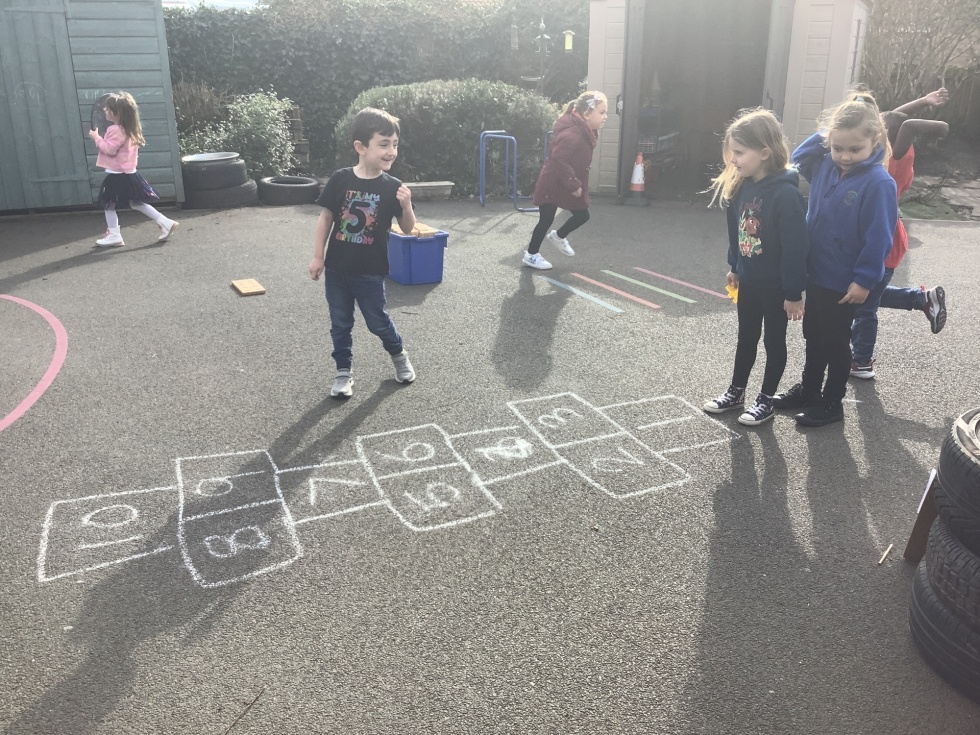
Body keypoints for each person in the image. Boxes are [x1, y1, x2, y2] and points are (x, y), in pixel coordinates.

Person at [774, 92, 898, 427]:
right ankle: (809, 389)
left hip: (844, 281)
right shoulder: (826, 165)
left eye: (855, 149)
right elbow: (799, 157)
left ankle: (832, 402)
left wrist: (864, 279)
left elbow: (879, 236)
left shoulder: (879, 183)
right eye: (837, 147)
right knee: (813, 335)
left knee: (835, 342)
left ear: (875, 141)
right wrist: (827, 134)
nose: (845, 156)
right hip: (816, 271)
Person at [702, 108, 809, 426]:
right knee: (746, 337)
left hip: (776, 286)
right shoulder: (741, 187)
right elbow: (735, 232)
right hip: (748, 280)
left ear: (764, 152)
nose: (733, 159)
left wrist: (793, 292)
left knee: (774, 341)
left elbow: (796, 247)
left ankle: (766, 399)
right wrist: (734, 266)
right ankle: (736, 392)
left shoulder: (786, 194)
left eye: (739, 152)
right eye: (731, 152)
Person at [308, 107, 416, 399]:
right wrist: (318, 256)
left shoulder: (393, 188)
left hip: (370, 271)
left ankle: (399, 355)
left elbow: (408, 229)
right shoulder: (341, 179)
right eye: (384, 144)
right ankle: (343, 372)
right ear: (361, 147)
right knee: (340, 323)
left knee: (377, 321)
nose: (391, 151)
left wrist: (406, 206)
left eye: (395, 144)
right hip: (337, 269)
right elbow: (326, 218)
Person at [849, 88, 950, 379]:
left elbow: (904, 125)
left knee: (864, 307)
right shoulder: (882, 153)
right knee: (865, 295)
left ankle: (862, 361)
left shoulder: (894, 159)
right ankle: (922, 299)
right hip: (882, 241)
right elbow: (890, 120)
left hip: (884, 244)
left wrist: (935, 125)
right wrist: (924, 101)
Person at [521, 91, 609, 270]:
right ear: (587, 114)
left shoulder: (586, 131)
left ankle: (558, 236)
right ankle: (531, 255)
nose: (605, 116)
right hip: (553, 183)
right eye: (601, 112)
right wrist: (573, 183)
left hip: (566, 182)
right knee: (546, 220)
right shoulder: (573, 134)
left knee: (582, 215)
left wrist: (572, 182)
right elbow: (559, 158)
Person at [87, 92, 179, 247]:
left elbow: (110, 149)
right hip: (129, 173)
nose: (104, 110)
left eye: (108, 108)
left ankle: (114, 235)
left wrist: (97, 138)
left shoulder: (115, 129)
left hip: (117, 175)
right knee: (136, 203)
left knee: (108, 204)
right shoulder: (131, 129)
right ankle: (165, 222)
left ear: (117, 113)